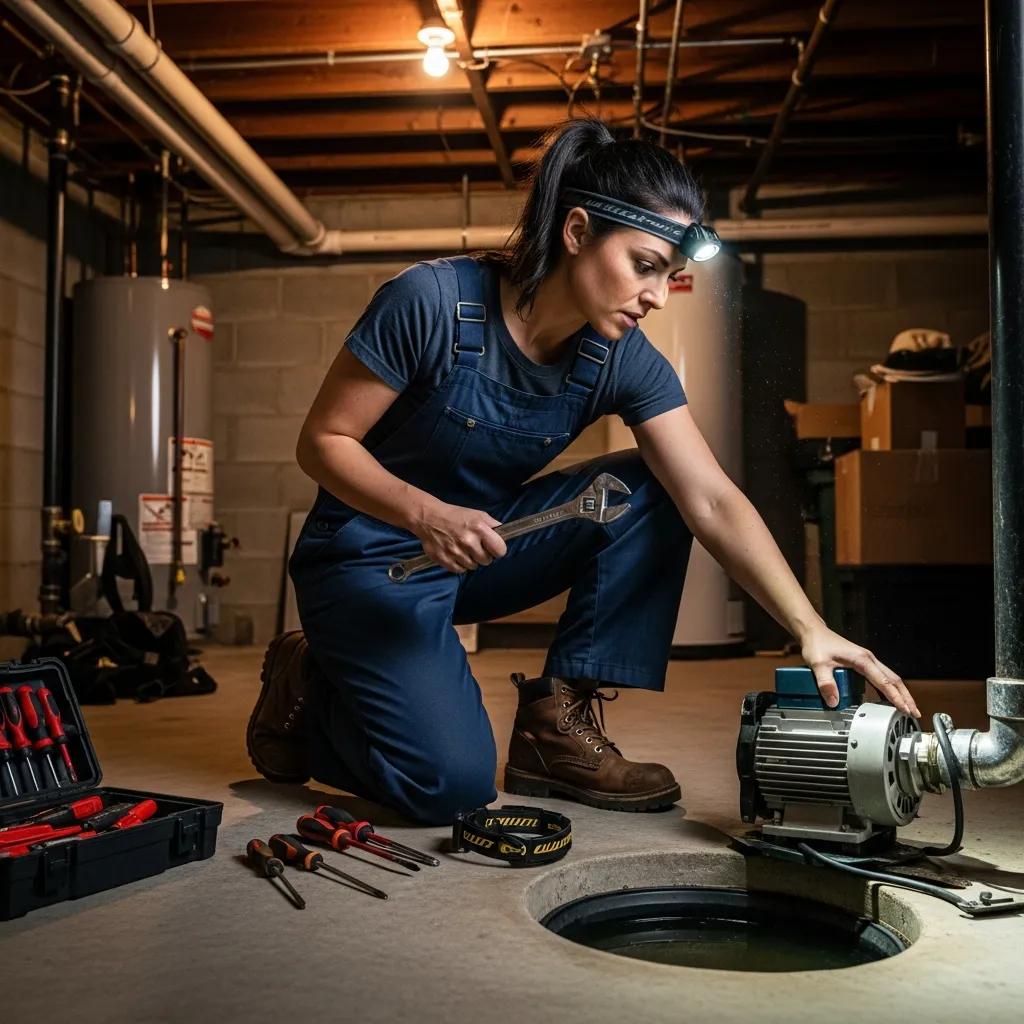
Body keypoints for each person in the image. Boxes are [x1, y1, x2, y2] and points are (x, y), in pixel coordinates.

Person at [246, 117, 920, 826]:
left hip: (483, 550)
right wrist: (425, 514)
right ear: (576, 232)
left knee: (654, 488)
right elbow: (323, 441)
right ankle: (310, 685)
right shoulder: (430, 303)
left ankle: (553, 728)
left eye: (670, 274)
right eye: (646, 264)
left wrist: (809, 625)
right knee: (449, 787)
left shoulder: (621, 356)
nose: (659, 295)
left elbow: (711, 498)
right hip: (369, 560)